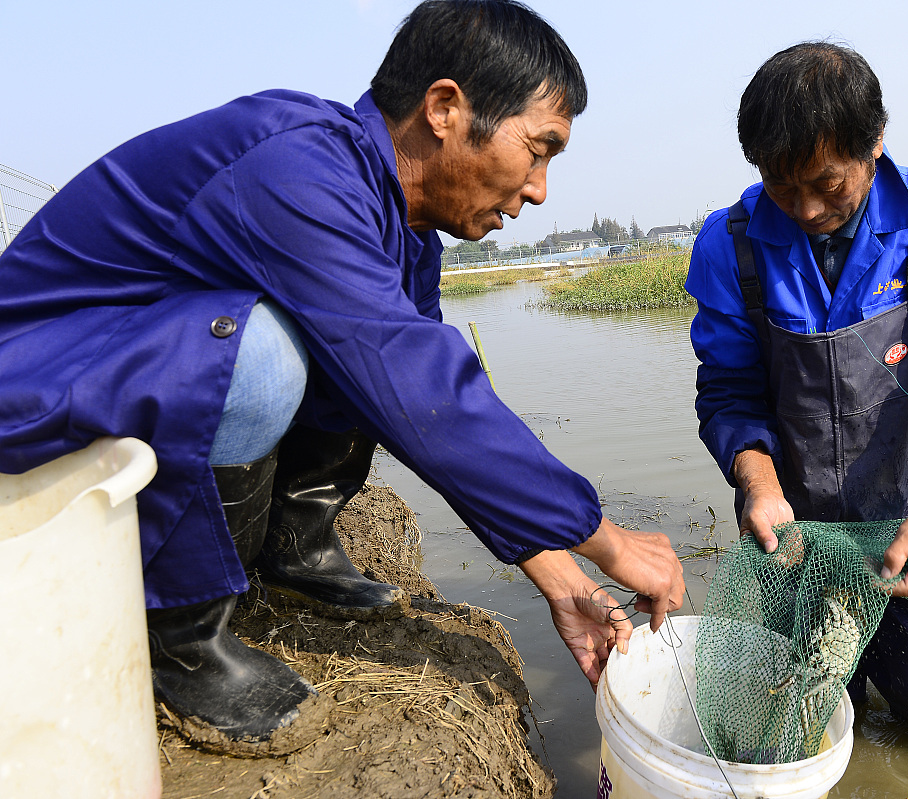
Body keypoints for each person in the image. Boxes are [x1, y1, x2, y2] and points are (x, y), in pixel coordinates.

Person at [0, 0, 683, 754]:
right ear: (446, 109)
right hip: (40, 376)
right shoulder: (299, 170)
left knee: (355, 350)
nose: (541, 188)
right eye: (540, 148)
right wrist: (607, 540)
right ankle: (178, 639)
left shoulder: (402, 221)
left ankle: (293, 542)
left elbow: (412, 390)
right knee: (259, 356)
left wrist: (560, 575)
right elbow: (417, 384)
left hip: (133, 372)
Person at [686, 42, 908, 746]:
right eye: (782, 188)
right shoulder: (731, 246)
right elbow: (729, 392)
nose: (807, 208)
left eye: (826, 183)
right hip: (791, 530)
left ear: (875, 143)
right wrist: (758, 484)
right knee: (802, 710)